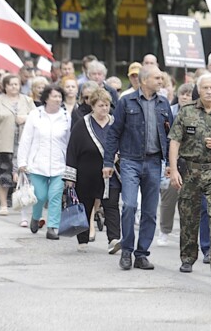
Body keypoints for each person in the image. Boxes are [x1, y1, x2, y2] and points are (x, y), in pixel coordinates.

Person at [103, 65, 172, 270]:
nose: (161, 81)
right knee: (130, 205)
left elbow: (170, 135)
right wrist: (108, 162)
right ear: (143, 81)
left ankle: (142, 254)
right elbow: (114, 133)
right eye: (157, 78)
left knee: (150, 211)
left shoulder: (163, 103)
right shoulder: (126, 101)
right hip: (130, 160)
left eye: (161, 78)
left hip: (154, 162)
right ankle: (127, 251)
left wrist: (169, 162)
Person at [168, 72, 211, 277]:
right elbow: (175, 141)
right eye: (205, 87)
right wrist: (173, 170)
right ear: (199, 89)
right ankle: (187, 258)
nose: (209, 91)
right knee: (188, 216)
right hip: (190, 170)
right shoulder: (186, 112)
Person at [64, 88, 121, 253]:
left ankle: (114, 239)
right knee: (86, 205)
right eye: (101, 105)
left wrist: (118, 155)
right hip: (86, 173)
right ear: (93, 106)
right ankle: (82, 240)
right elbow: (72, 149)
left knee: (111, 205)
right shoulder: (83, 124)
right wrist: (70, 177)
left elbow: (124, 143)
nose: (104, 109)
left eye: (107, 105)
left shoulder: (115, 122)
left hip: (110, 174)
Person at [17, 84, 71, 240]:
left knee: (55, 196)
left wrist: (69, 164)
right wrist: (22, 161)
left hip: (59, 164)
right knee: (40, 196)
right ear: (46, 98)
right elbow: (26, 139)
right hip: (37, 163)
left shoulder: (66, 116)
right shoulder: (35, 114)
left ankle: (52, 227)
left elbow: (68, 142)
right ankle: (36, 216)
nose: (57, 99)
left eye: (60, 96)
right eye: (54, 96)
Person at [0, 75, 35, 216]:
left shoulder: (27, 100)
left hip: (23, 143)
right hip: (2, 143)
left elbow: (37, 117)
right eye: (10, 84)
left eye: (16, 84)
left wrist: (26, 118)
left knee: (23, 174)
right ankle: (4, 204)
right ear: (5, 86)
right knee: (3, 174)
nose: (14, 87)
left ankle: (22, 204)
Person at [157, 83, 195, 247]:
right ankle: (164, 230)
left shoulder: (198, 113)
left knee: (191, 200)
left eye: (189, 94)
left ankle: (190, 235)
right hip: (172, 160)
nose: (185, 97)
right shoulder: (170, 112)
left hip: (192, 161)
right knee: (169, 196)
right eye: (183, 94)